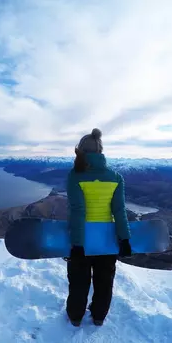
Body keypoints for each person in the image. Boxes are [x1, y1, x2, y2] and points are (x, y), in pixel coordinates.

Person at [66, 128, 132, 327]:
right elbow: (119, 211)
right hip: (107, 240)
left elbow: (78, 211)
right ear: (101, 152)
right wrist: (125, 239)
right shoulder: (116, 177)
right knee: (104, 283)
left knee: (79, 282)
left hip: (83, 239)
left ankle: (75, 317)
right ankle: (99, 317)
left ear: (81, 152)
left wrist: (77, 244)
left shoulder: (75, 176)